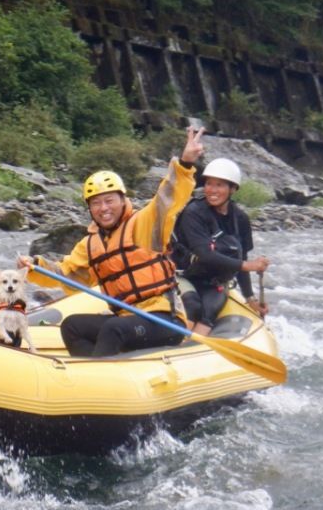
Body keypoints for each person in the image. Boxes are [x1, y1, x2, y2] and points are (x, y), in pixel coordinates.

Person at [17, 127, 206, 357]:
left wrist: (185, 163)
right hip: (127, 318)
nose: (103, 208)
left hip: (163, 319)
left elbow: (168, 198)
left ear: (123, 199)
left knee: (112, 328)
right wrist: (35, 266)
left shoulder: (143, 223)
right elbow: (65, 274)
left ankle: (99, 376)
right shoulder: (90, 245)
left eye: (109, 200)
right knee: (72, 326)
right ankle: (100, 368)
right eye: (96, 203)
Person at [171, 157, 270, 336]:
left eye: (219, 185)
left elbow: (242, 260)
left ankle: (195, 352)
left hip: (214, 282)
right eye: (209, 184)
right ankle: (175, 349)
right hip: (184, 276)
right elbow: (204, 254)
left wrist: (250, 298)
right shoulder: (193, 213)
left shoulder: (240, 219)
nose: (212, 190)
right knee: (193, 306)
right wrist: (246, 265)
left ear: (232, 189)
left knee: (209, 312)